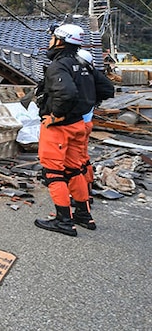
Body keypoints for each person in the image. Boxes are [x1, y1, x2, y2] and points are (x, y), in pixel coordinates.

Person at [34, 24, 100, 237]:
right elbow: (105, 88)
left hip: (59, 128)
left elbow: (67, 93)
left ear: (60, 40)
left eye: (53, 38)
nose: (50, 42)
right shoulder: (82, 64)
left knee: (53, 171)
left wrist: (56, 116)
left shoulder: (59, 66)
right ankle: (83, 214)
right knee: (74, 169)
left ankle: (64, 220)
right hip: (78, 124)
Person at [74, 48, 115, 211]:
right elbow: (108, 90)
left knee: (73, 162)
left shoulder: (80, 77)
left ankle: (79, 196)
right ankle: (87, 191)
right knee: (83, 158)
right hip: (87, 122)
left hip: (76, 123)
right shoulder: (94, 76)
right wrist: (94, 102)